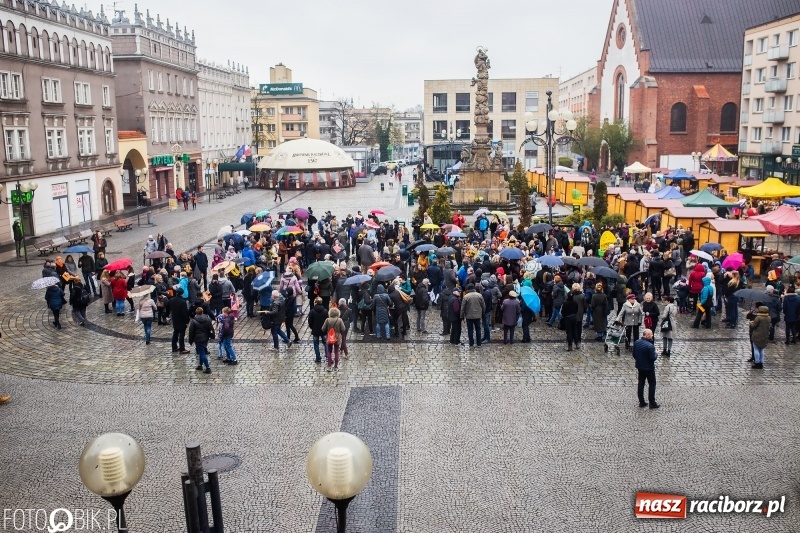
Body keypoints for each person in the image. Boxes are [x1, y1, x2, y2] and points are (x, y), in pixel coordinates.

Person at [632, 329, 659, 409]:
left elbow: (634, 354)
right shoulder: (650, 346)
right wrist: (656, 353)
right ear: (647, 335)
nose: (652, 336)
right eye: (651, 334)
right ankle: (652, 403)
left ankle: (641, 402)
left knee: (641, 384)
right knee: (652, 384)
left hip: (640, 367)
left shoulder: (637, 342)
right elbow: (652, 358)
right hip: (649, 368)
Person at [188, 307, 214, 374]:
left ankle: (208, 367)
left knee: (202, 353)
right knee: (202, 351)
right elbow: (211, 328)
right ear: (202, 312)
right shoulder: (207, 319)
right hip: (205, 338)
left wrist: (190, 341)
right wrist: (212, 336)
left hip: (198, 338)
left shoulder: (193, 321)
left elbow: (191, 332)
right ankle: (200, 365)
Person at [322, 306, 346, 371]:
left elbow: (323, 329)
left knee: (329, 351)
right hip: (337, 337)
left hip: (330, 336)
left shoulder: (327, 320)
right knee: (336, 352)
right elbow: (343, 329)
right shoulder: (340, 320)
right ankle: (335, 367)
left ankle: (329, 366)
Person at [168, 287, 191, 354]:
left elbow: (168, 308)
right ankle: (182, 348)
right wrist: (187, 320)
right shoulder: (182, 302)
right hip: (181, 320)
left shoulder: (171, 300)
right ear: (182, 294)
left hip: (175, 319)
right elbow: (184, 313)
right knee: (181, 334)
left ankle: (174, 347)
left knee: (175, 333)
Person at [749, 305, 770, 369]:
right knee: (762, 349)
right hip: (765, 335)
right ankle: (761, 363)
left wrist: (751, 322)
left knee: (756, 349)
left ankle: (757, 363)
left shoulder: (758, 318)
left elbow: (753, 326)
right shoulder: (768, 317)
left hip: (757, 335)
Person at [308, 297, 328, 363]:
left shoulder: (312, 311)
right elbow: (327, 321)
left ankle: (318, 358)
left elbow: (310, 322)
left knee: (316, 344)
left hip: (315, 330)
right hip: (324, 330)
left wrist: (312, 327)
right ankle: (328, 357)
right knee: (326, 343)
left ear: (315, 302)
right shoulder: (325, 311)